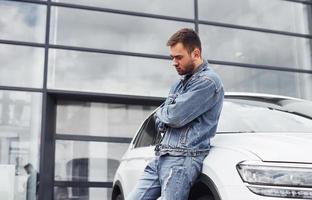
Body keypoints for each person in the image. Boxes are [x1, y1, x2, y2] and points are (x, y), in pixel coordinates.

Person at [127, 28, 224, 200]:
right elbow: (160, 120)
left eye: (179, 57)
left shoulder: (208, 82)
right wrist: (166, 114)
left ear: (195, 53)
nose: (174, 62)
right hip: (161, 157)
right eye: (172, 57)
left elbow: (174, 116)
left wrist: (166, 113)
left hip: (181, 160)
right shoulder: (178, 85)